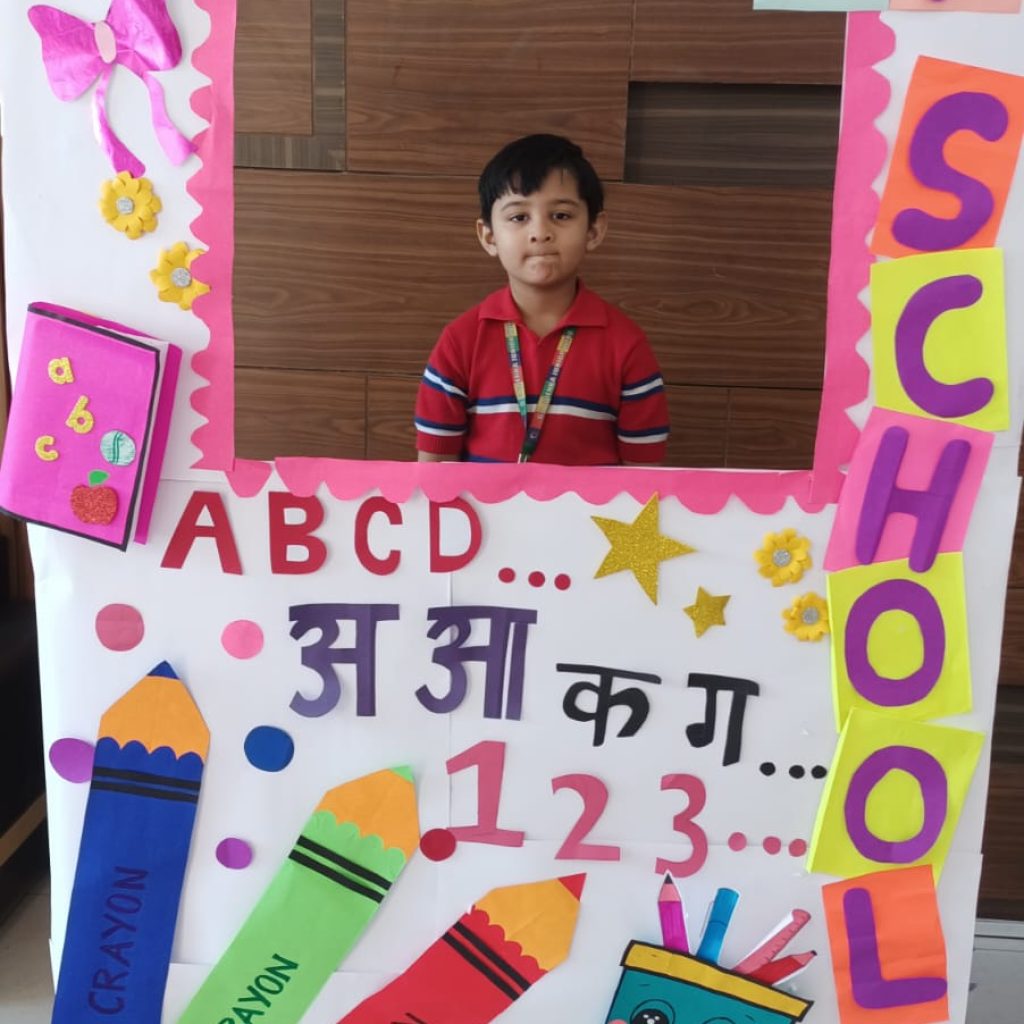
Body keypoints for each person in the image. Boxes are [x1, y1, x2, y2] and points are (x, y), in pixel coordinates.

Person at [415, 134, 669, 465]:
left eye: (561, 215)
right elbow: (435, 471)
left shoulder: (627, 345)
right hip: (483, 504)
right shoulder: (459, 342)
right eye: (519, 217)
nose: (540, 232)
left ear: (594, 230)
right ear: (488, 236)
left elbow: (644, 476)